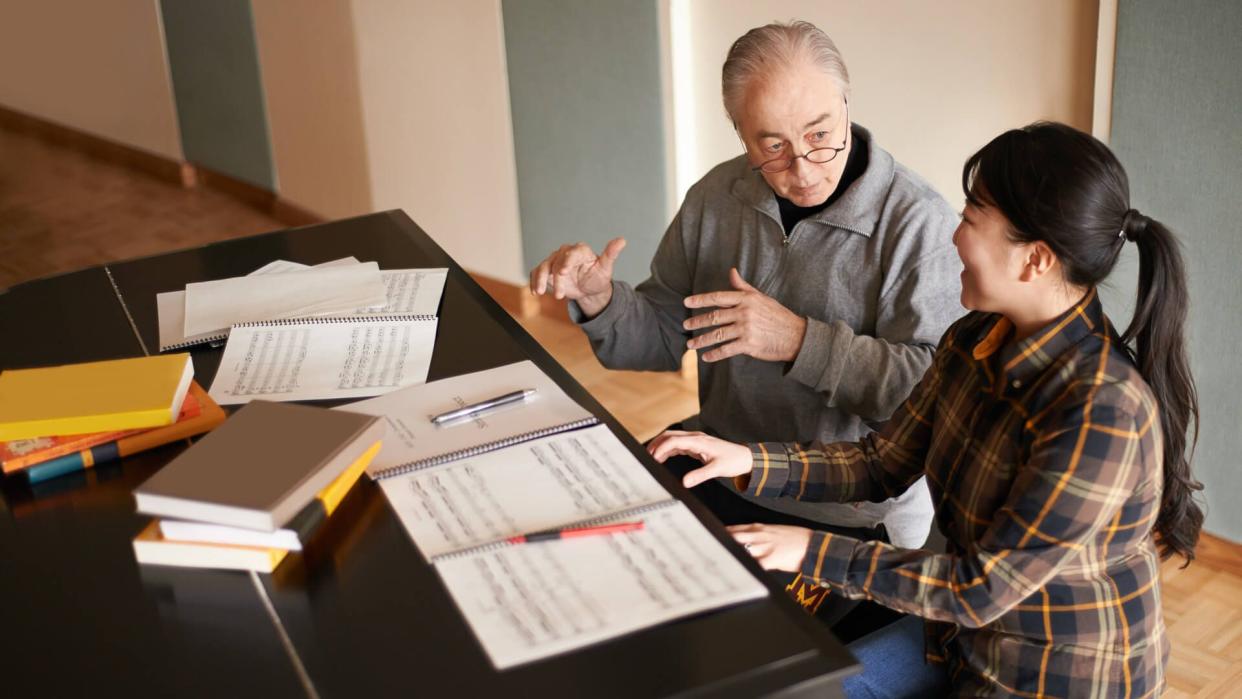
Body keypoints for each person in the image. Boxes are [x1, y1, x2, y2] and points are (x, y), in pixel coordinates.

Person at [648, 121, 1203, 697]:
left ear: (1035, 259)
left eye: (970, 218)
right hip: (958, 638)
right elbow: (880, 463)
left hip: (1052, 677)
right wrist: (746, 460)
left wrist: (810, 551)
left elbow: (979, 589)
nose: (954, 237)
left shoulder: (1101, 413)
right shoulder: (974, 338)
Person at [528, 21, 963, 623]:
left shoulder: (919, 224)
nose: (804, 168)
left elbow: (935, 399)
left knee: (749, 651)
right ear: (739, 133)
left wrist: (798, 341)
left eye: (820, 135)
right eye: (773, 147)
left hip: (849, 516)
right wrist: (603, 299)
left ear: (846, 104)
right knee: (595, 591)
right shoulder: (717, 197)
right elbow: (660, 337)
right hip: (726, 467)